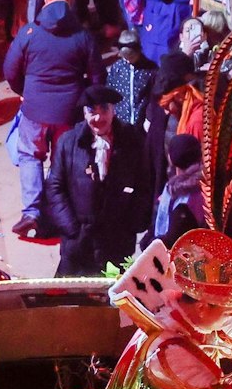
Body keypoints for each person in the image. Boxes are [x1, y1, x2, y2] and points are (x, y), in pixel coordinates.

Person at [5, 0, 102, 240]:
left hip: (35, 110)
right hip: (68, 114)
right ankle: (59, 214)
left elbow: (10, 70)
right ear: (70, 2)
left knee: (30, 156)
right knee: (62, 163)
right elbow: (96, 77)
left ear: (46, 0)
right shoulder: (83, 36)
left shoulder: (30, 33)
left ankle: (32, 212)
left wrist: (25, 92)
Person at [42, 85, 151, 276]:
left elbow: (145, 184)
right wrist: (71, 228)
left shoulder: (132, 140)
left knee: (113, 298)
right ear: (84, 113)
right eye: (92, 112)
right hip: (78, 243)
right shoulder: (69, 142)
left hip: (117, 241)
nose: (98, 118)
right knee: (71, 297)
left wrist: (132, 223)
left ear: (113, 110)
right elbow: (55, 186)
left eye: (104, 110)